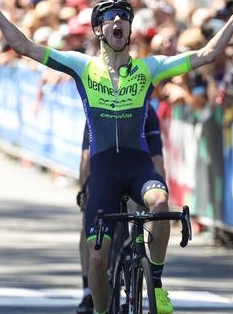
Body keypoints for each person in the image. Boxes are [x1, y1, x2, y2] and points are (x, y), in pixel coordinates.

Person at [0, 0, 233, 314]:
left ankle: (155, 281)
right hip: (104, 172)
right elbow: (24, 47)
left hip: (138, 168)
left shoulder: (148, 68)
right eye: (110, 17)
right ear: (99, 28)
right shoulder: (82, 66)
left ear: (130, 27)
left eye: (124, 16)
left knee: (161, 202)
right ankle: (100, 310)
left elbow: (206, 54)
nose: (118, 22)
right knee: (97, 260)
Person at [76, 103, 164, 314]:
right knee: (89, 222)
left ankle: (140, 258)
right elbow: (86, 158)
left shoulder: (147, 113)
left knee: (147, 208)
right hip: (105, 177)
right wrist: (83, 190)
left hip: (137, 175)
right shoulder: (98, 110)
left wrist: (161, 190)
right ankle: (88, 289)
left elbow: (157, 160)